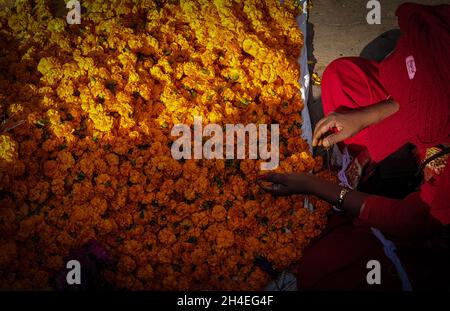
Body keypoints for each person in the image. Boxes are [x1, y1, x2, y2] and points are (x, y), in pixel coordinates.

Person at [257, 3, 450, 290]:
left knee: (329, 268)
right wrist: (364, 116)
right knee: (343, 78)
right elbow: (417, 98)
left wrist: (318, 187)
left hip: (430, 233)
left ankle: (364, 188)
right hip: (436, 123)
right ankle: (364, 167)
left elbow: (410, 219)